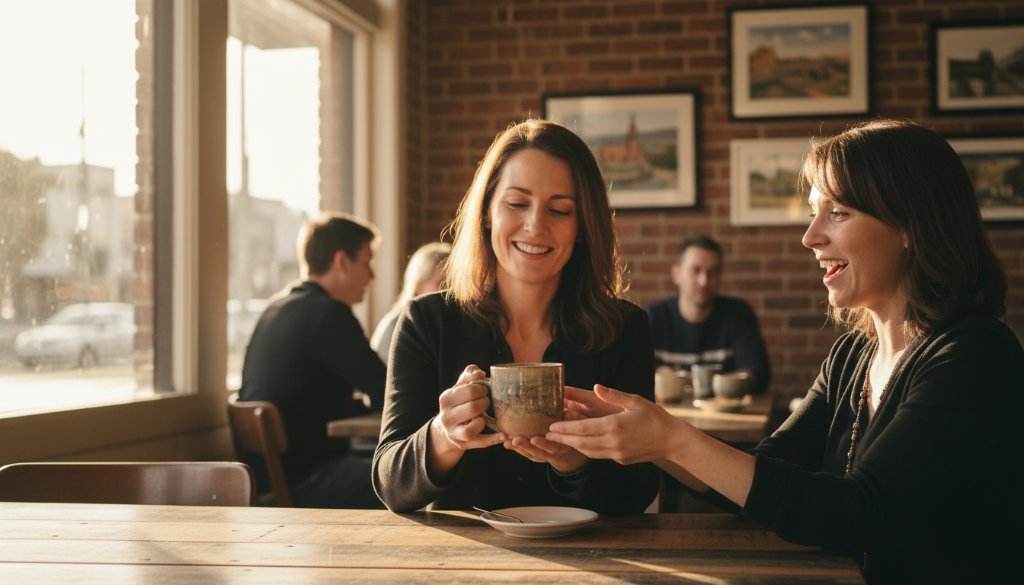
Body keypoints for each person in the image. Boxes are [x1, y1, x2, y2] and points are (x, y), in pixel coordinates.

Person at [547, 120, 1023, 584]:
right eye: (815, 212)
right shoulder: (852, 356)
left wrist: (673, 440)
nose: (810, 236)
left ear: (909, 225)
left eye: (838, 213)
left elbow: (860, 514)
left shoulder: (974, 356)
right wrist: (648, 435)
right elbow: (760, 479)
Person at [371, 119, 660, 514]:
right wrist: (445, 435)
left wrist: (574, 461)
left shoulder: (624, 329)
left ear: (582, 228)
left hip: (590, 551)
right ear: (487, 212)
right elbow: (390, 485)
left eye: (559, 210)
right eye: (517, 203)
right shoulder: (428, 321)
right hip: (460, 553)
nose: (535, 225)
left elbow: (640, 489)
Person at [239, 212, 386, 509]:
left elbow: (307, 398)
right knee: (415, 479)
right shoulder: (329, 315)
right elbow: (389, 390)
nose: (371, 276)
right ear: (342, 261)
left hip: (264, 483)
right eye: (366, 262)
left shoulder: (275, 308)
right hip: (307, 482)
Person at [646, 235, 770, 394]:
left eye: (712, 272)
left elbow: (759, 374)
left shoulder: (739, 314)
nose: (704, 281)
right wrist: (657, 374)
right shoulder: (653, 318)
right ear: (676, 274)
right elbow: (631, 374)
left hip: (725, 410)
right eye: (695, 270)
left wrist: (700, 382)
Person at [370, 242, 451, 363]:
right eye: (442, 283)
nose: (450, 291)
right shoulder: (397, 326)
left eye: (454, 284)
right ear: (419, 285)